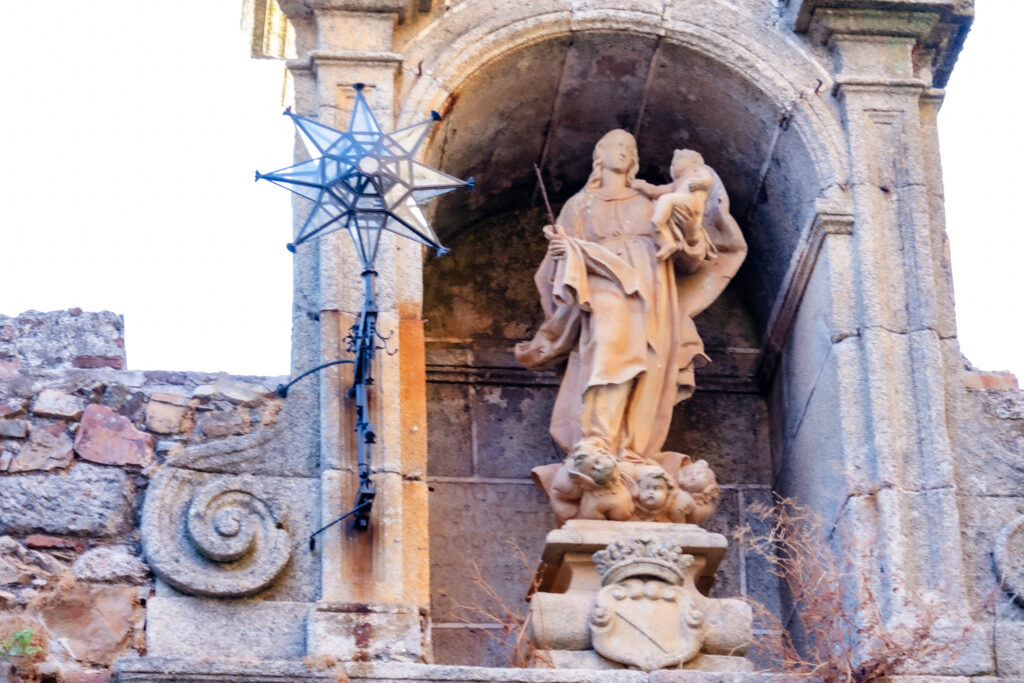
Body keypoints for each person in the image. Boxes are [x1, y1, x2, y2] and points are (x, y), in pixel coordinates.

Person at [516, 129, 746, 477]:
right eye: (616, 146)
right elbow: (554, 272)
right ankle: (596, 441)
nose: (623, 152)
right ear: (600, 154)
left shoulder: (652, 201)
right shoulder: (580, 206)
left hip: (654, 292)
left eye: (630, 147)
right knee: (610, 350)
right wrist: (564, 253)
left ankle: (633, 451)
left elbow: (689, 262)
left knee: (650, 365)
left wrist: (694, 234)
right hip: (603, 284)